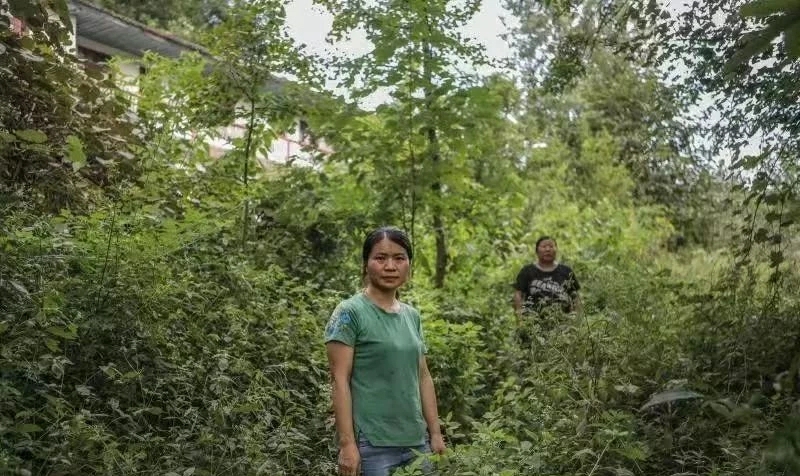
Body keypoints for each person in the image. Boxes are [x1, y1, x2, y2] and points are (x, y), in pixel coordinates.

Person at [324, 226, 446, 476]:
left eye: (399, 258)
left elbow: (423, 377)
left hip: (417, 442)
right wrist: (347, 445)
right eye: (380, 258)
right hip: (372, 445)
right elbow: (339, 380)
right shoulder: (349, 312)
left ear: (409, 264)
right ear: (365, 264)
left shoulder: (412, 316)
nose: (390, 266)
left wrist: (435, 433)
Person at [512, 236, 582, 320]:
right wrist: (520, 318)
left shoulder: (566, 271)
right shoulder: (527, 271)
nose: (548, 249)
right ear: (537, 251)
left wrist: (576, 318)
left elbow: (576, 297)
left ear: (556, 250)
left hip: (563, 320)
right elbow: (518, 295)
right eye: (544, 246)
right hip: (533, 321)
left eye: (551, 246)